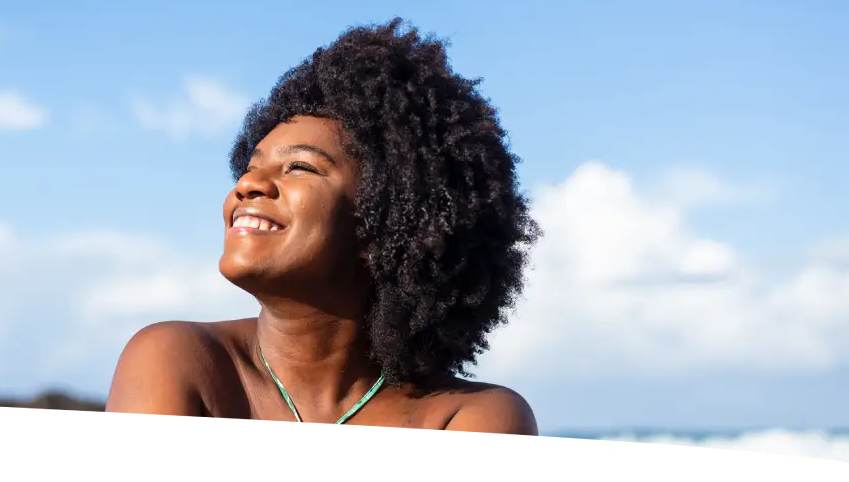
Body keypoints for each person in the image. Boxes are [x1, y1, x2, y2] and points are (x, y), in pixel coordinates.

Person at [105, 17, 541, 433]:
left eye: (298, 167)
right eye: (251, 167)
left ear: (384, 224)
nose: (248, 184)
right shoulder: (178, 360)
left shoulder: (470, 417)